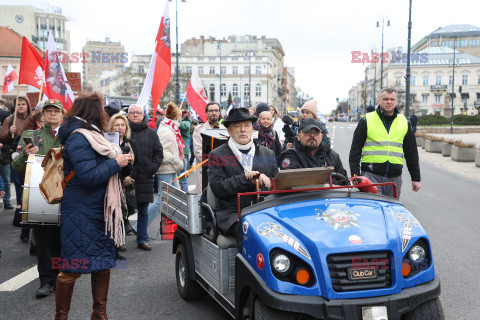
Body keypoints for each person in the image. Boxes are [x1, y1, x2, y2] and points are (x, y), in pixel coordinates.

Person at [55, 93, 134, 319]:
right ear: (93, 112)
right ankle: (61, 316)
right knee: (71, 267)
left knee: (102, 263)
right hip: (81, 211)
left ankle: (99, 315)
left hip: (98, 210)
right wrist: (115, 162)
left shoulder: (93, 135)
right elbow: (88, 177)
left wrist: (122, 162)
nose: (104, 115)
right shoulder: (79, 137)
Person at [12, 99, 65, 299]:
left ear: (62, 115)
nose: (52, 114)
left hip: (65, 194)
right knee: (43, 241)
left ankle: (61, 277)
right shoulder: (30, 136)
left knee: (62, 240)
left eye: (56, 111)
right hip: (39, 196)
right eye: (48, 111)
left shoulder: (71, 136)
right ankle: (46, 281)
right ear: (42, 115)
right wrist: (25, 155)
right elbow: (16, 167)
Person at [208, 108, 278, 237]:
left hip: (265, 209)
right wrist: (246, 179)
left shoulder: (268, 153)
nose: (243, 130)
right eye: (237, 126)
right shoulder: (217, 155)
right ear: (229, 131)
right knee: (252, 231)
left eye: (247, 126)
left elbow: (277, 183)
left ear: (252, 129)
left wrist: (269, 184)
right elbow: (218, 187)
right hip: (233, 213)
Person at [349, 88, 420, 198]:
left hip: (394, 178)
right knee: (375, 210)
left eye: (392, 99)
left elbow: (411, 153)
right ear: (379, 100)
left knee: (390, 212)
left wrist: (416, 178)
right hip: (371, 176)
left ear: (396, 101)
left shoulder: (405, 122)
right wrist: (355, 175)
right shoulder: (367, 120)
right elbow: (355, 149)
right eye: (385, 99)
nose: (389, 102)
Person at [127, 104, 163, 251]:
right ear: (128, 115)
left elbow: (159, 153)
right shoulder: (123, 132)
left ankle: (142, 238)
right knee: (123, 210)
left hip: (145, 177)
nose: (135, 115)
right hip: (126, 178)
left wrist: (151, 168)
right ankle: (118, 242)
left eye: (138, 113)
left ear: (143, 116)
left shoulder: (151, 133)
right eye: (132, 113)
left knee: (143, 210)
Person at [0, 96, 32, 242]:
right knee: (19, 186)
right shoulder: (9, 120)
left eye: (23, 104)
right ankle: (20, 213)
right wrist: (9, 132)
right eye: (18, 104)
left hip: (33, 158)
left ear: (27, 105)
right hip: (15, 157)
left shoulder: (33, 118)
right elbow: (2, 137)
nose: (20, 106)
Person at [147, 103, 184, 225]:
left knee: (174, 199)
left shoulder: (170, 128)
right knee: (162, 200)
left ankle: (177, 225)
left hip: (171, 169)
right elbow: (160, 152)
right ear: (176, 117)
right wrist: (175, 159)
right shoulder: (166, 130)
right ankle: (140, 226)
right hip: (166, 169)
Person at [107, 113, 138, 251]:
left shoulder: (130, 144)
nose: (120, 127)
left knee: (123, 213)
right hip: (110, 183)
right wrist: (120, 179)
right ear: (111, 126)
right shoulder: (106, 143)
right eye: (117, 125)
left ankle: (119, 241)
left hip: (126, 186)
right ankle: (111, 243)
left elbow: (138, 165)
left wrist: (129, 177)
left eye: (122, 125)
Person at [279, 118, 347, 177]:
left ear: (321, 136)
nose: (312, 135)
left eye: (316, 132)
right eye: (307, 132)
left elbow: (344, 183)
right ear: (298, 136)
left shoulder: (332, 156)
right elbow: (290, 181)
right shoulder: (290, 155)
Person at [192, 102, 225, 194]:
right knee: (203, 198)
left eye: (216, 110)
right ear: (206, 113)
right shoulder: (199, 130)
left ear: (219, 112)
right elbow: (199, 153)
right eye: (211, 110)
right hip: (204, 171)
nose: (214, 113)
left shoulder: (225, 130)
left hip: (221, 173)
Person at [178, 110, 192, 192]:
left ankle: (186, 199)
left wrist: (177, 118)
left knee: (183, 180)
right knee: (176, 179)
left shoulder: (187, 123)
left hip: (183, 155)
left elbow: (183, 126)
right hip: (176, 153)